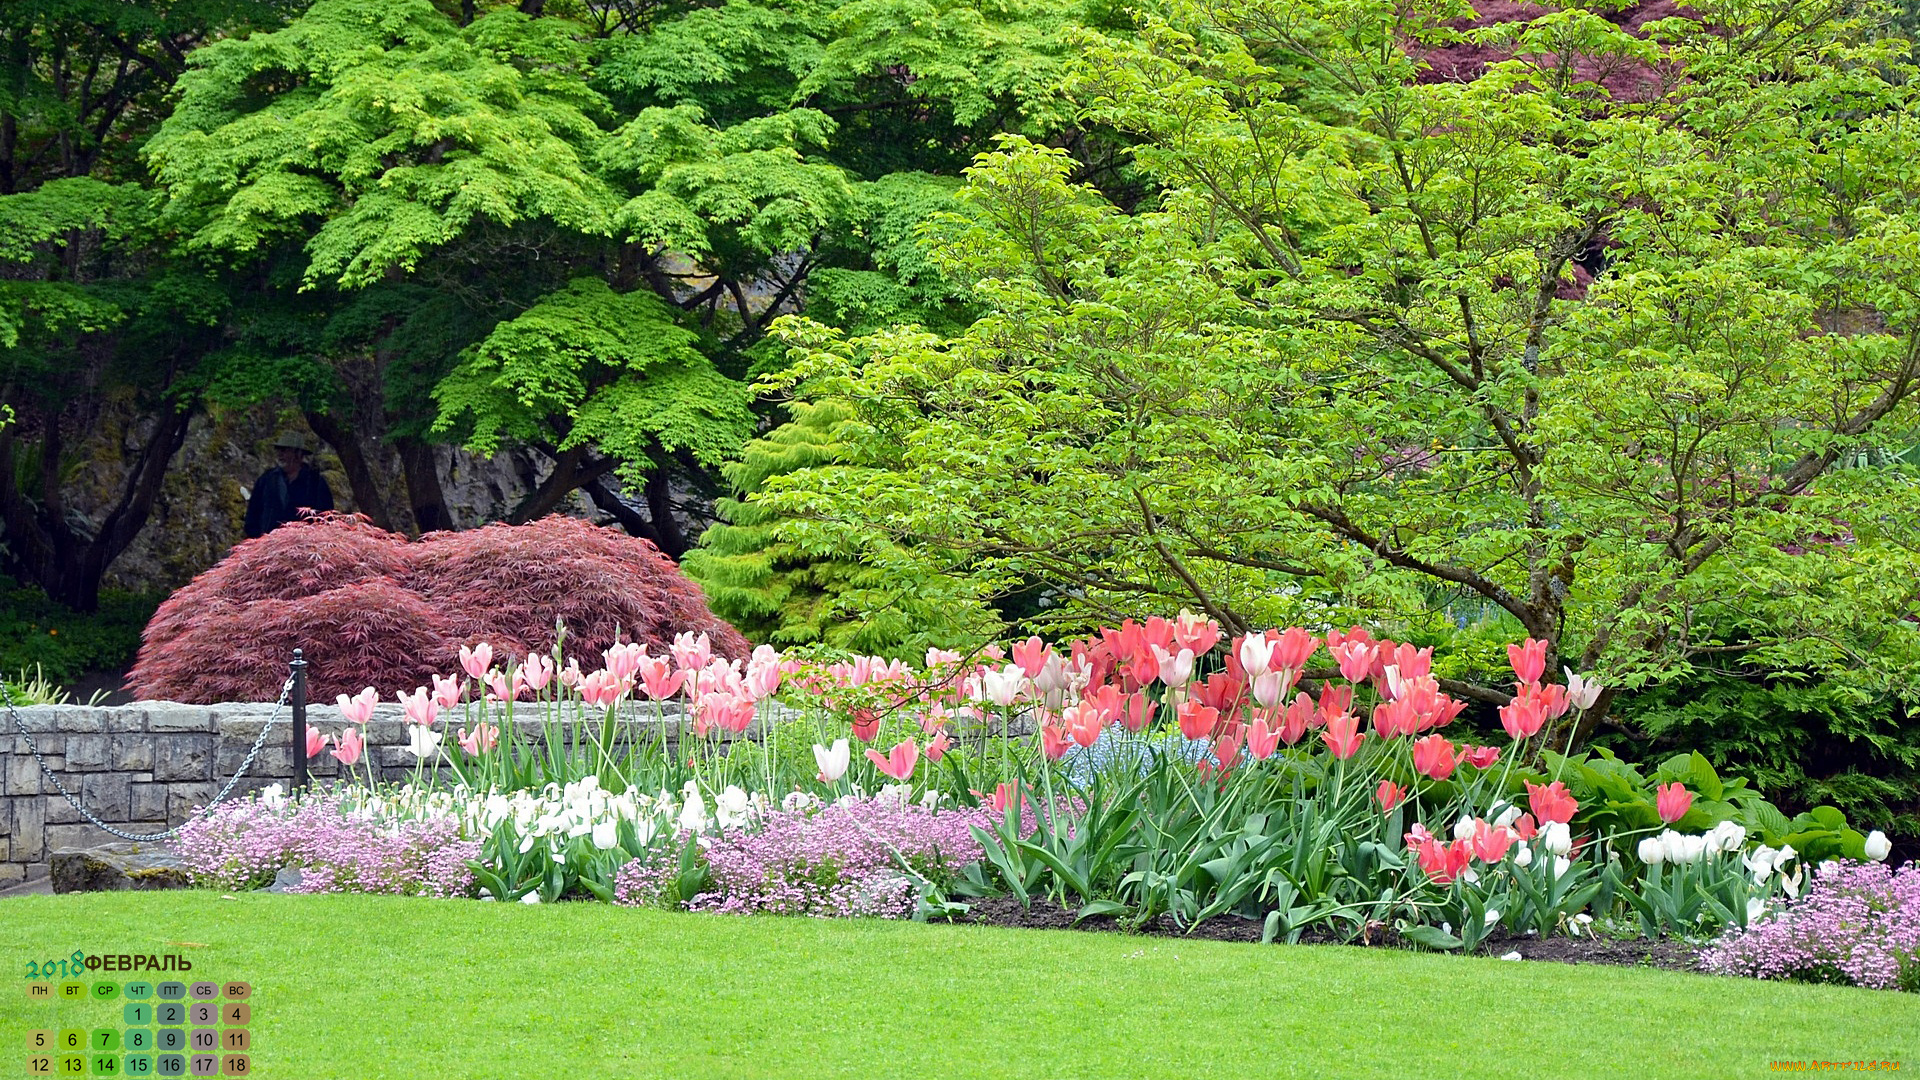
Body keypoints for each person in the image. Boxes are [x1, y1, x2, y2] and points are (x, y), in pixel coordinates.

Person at [244, 431, 334, 538]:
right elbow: (253, 515)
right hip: (268, 545)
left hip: (304, 545)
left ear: (298, 454)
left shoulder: (315, 482)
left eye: (284, 450)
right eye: (278, 450)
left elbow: (326, 518)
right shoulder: (267, 480)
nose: (280, 455)